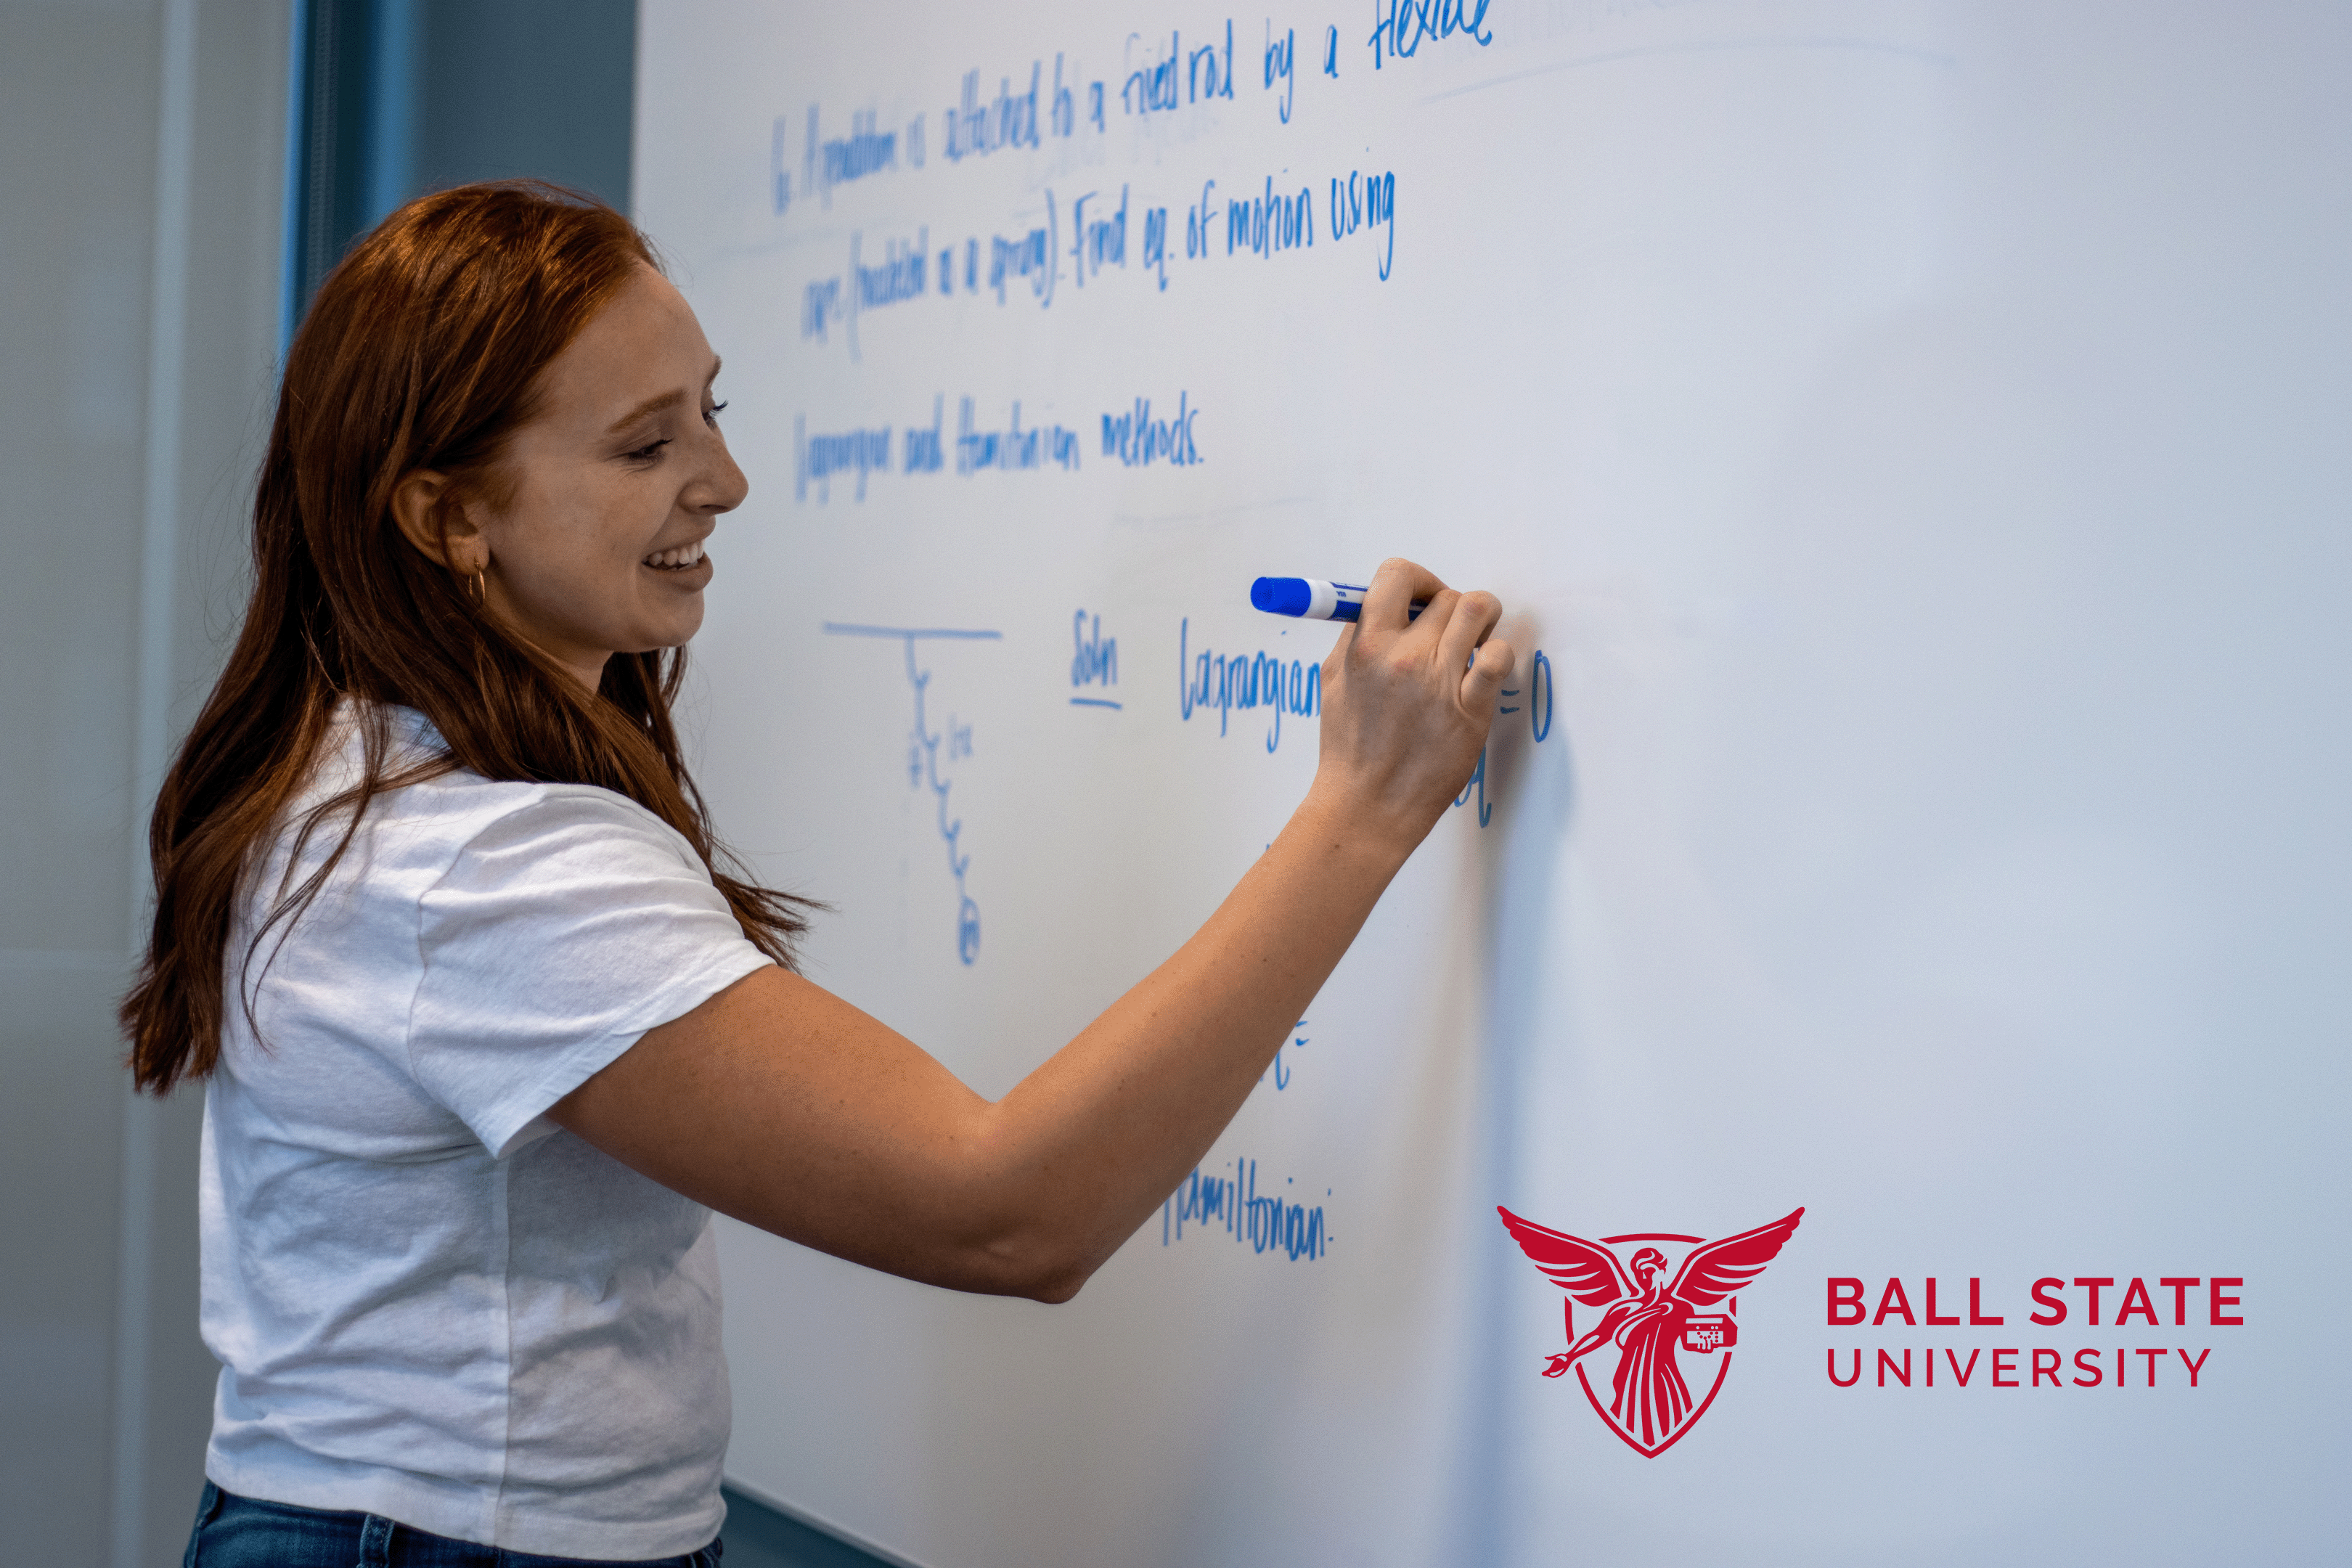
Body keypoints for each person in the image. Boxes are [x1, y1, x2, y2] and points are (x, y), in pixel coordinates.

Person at [126, 182, 1512, 1566]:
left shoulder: (367, 772)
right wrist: (1366, 806)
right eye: (643, 445)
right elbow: (1009, 1212)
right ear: (446, 516)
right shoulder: (479, 868)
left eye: (710, 411)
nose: (723, 481)